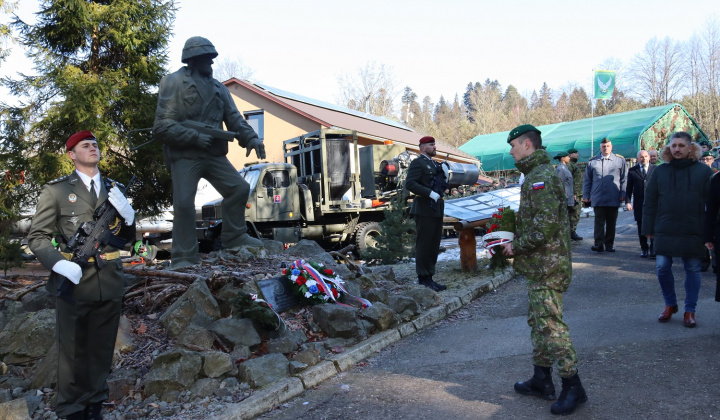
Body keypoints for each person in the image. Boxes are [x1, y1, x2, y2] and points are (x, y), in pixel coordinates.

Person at [28, 131, 136, 420]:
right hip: (73, 283)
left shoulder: (115, 189)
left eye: (95, 144)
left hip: (110, 280)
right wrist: (58, 264)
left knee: (101, 350)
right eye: (85, 146)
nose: (92, 148)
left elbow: (124, 239)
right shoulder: (57, 191)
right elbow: (37, 238)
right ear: (71, 155)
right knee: (72, 353)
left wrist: (129, 217)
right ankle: (72, 410)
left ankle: (94, 405)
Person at [153, 36, 265, 269]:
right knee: (184, 203)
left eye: (212, 58)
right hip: (185, 155)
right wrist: (194, 136)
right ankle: (184, 256)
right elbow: (162, 126)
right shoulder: (173, 83)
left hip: (213, 154)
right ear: (192, 60)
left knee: (239, 188)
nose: (211, 63)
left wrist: (251, 137)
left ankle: (234, 237)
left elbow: (234, 118)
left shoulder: (219, 89)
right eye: (206, 58)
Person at [501, 125, 586, 415]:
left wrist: (516, 246)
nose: (511, 151)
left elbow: (545, 226)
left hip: (548, 266)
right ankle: (541, 379)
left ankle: (573, 386)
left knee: (551, 327)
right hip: (540, 266)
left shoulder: (542, 177)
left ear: (527, 145)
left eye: (513, 146)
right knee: (538, 323)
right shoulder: (534, 175)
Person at [642, 132, 713, 328]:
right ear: (669, 148)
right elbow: (650, 202)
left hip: (694, 227)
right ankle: (670, 304)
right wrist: (648, 227)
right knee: (662, 266)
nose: (677, 149)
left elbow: (713, 204)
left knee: (692, 269)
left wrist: (711, 232)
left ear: (690, 148)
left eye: (681, 146)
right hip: (665, 227)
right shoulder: (660, 171)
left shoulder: (703, 172)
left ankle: (690, 310)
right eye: (673, 146)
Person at [405, 136, 448, 292]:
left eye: (434, 144)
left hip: (436, 208)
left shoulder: (434, 164)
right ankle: (423, 278)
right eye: (431, 145)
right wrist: (429, 193)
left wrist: (445, 177)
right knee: (424, 244)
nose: (434, 147)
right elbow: (410, 183)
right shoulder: (418, 163)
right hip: (424, 207)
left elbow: (440, 185)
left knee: (434, 244)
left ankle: (430, 276)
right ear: (422, 148)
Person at [582, 138, 627, 252]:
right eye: (603, 146)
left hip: (613, 195)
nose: (605, 148)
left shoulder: (619, 161)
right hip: (598, 196)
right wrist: (586, 195)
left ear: (611, 147)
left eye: (607, 146)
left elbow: (624, 179)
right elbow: (587, 180)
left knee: (611, 222)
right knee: (599, 222)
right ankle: (598, 244)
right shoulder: (593, 162)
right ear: (600, 148)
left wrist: (623, 193)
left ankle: (609, 244)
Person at [625, 150, 655, 258]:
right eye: (641, 157)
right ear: (638, 159)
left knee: (653, 226)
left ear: (649, 157)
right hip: (639, 203)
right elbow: (629, 188)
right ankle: (644, 248)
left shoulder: (655, 169)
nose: (644, 159)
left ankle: (653, 248)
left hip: (653, 203)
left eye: (645, 156)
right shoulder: (633, 171)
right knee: (641, 227)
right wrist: (628, 202)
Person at [554, 152, 575, 229]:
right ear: (563, 158)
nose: (569, 158)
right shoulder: (561, 169)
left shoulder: (565, 168)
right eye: (567, 157)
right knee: (564, 219)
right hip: (564, 198)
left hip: (568, 196)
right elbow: (559, 184)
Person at [566, 148, 583, 241]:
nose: (577, 154)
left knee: (576, 213)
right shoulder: (570, 166)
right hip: (574, 194)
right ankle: (571, 232)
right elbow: (569, 181)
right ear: (570, 155)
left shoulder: (574, 165)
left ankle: (572, 231)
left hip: (577, 193)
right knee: (574, 213)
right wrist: (573, 193)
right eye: (575, 153)